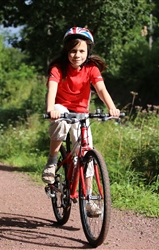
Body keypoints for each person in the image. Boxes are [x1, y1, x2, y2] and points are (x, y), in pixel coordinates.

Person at [42, 27, 120, 215]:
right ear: (67, 51)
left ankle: (90, 200)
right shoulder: (58, 68)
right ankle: (52, 162)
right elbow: (52, 88)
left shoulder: (91, 68)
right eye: (73, 50)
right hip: (61, 108)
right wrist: (50, 109)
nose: (77, 55)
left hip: (81, 112)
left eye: (81, 51)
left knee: (88, 155)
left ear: (88, 51)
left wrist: (111, 107)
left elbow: (101, 89)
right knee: (60, 119)